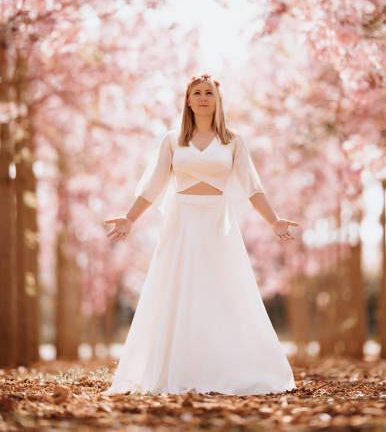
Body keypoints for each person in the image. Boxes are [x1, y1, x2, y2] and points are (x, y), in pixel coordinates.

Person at [102, 73, 299, 396]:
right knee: (178, 290)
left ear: (217, 100)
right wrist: (129, 218)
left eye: (209, 92)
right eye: (197, 93)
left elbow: (252, 188)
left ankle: (232, 368)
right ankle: (176, 369)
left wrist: (274, 221)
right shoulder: (172, 139)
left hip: (217, 226)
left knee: (223, 292)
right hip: (182, 224)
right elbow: (153, 185)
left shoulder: (233, 141)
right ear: (188, 101)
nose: (204, 97)